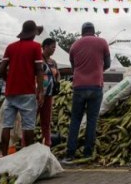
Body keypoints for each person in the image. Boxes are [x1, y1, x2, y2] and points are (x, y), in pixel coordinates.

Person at [64, 22, 110, 162]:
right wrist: (97, 70)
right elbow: (107, 64)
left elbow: (74, 66)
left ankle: (70, 154)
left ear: (82, 32)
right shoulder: (102, 42)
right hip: (96, 86)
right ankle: (87, 154)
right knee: (91, 121)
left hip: (79, 87)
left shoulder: (74, 46)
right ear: (94, 31)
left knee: (75, 121)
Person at [0, 20, 44, 156]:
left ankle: (4, 155)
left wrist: (8, 80)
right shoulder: (36, 47)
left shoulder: (10, 47)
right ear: (33, 33)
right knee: (28, 126)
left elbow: (1, 68)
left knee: (7, 125)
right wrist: (40, 90)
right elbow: (39, 70)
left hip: (11, 92)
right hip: (27, 91)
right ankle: (27, 156)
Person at [38, 38, 60, 147]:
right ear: (45, 47)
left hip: (49, 94)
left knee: (46, 120)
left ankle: (47, 143)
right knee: (31, 119)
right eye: (52, 47)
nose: (54, 49)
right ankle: (26, 144)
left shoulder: (53, 62)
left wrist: (56, 81)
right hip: (37, 94)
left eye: (55, 47)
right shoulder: (38, 59)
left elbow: (57, 73)